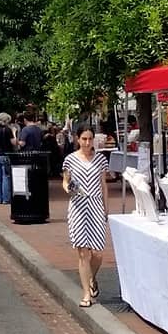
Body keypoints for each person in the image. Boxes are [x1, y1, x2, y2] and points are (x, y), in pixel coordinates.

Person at [62, 125, 110, 308]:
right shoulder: (70, 160)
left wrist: (106, 208)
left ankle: (91, 279)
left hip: (96, 205)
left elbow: (103, 184)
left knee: (97, 253)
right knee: (83, 253)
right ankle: (86, 293)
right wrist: (69, 189)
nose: (88, 143)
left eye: (90, 139)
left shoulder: (100, 160)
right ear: (78, 139)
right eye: (84, 139)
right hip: (78, 207)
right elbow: (65, 181)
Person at [0, 112, 17, 204]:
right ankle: (6, 198)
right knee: (6, 177)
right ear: (5, 121)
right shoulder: (8, 130)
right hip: (6, 155)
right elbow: (14, 142)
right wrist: (14, 133)